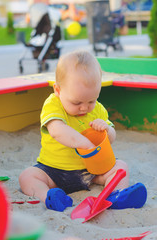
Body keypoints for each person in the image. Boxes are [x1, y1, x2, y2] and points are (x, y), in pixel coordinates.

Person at [19, 51, 146, 211]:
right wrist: (83, 143)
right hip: (53, 171)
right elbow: (57, 130)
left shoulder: (98, 109)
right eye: (77, 102)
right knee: (27, 176)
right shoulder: (53, 104)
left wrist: (107, 129)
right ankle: (50, 197)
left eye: (91, 100)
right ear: (58, 90)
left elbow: (112, 137)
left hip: (91, 172)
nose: (85, 107)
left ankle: (116, 195)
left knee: (120, 166)